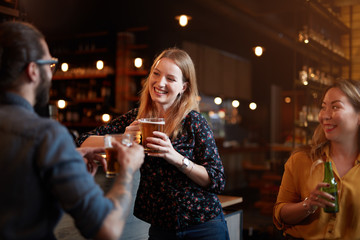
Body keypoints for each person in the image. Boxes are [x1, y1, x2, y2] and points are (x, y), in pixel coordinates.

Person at [0, 21, 144, 240]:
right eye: (49, 65)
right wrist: (127, 170)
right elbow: (107, 229)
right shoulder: (47, 135)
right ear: (32, 71)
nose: (51, 74)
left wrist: (67, 157)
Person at [77, 48, 229, 239]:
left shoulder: (194, 122)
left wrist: (176, 158)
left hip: (204, 226)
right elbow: (83, 142)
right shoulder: (137, 118)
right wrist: (122, 137)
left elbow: (217, 180)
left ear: (183, 87)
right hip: (162, 229)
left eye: (171, 79)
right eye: (156, 74)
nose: (160, 83)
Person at [273, 79, 360, 239]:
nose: (324, 115)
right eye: (323, 107)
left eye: (335, 107)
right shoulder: (301, 159)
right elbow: (280, 214)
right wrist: (308, 204)